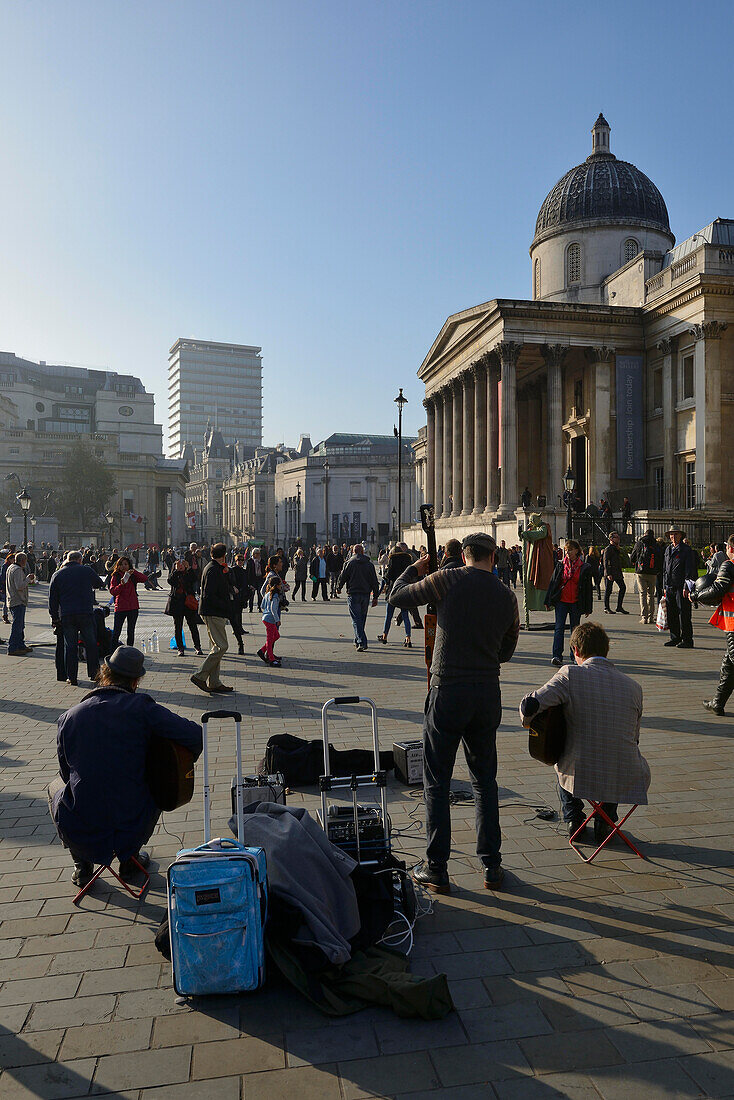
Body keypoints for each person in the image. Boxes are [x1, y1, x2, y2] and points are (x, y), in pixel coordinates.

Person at [391, 533, 519, 893]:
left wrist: (414, 568)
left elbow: (397, 595)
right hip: (486, 693)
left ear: (464, 555)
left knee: (437, 781)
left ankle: (437, 868)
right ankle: (492, 866)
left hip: (448, 690)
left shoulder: (447, 579)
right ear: (493, 556)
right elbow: (507, 650)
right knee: (484, 781)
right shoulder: (508, 596)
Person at [48, 645, 202, 887]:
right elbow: (195, 735)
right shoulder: (143, 709)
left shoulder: (69, 717)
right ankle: (129, 861)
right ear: (135, 682)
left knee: (54, 787)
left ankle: (82, 863)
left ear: (105, 673)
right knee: (153, 784)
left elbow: (65, 773)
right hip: (133, 823)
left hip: (81, 825)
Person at [520, 622, 650, 844]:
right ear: (606, 650)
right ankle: (606, 818)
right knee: (614, 752)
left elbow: (531, 706)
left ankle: (575, 818)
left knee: (560, 758)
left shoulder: (569, 674)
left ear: (576, 651)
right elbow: (635, 738)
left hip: (580, 773)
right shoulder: (634, 686)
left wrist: (528, 719)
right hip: (628, 775)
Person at [49, 551, 107, 685]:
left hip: (67, 615)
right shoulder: (86, 570)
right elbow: (99, 583)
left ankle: (72, 677)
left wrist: (54, 617)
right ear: (80, 559)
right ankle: (94, 674)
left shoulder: (57, 574)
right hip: (85, 613)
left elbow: (53, 599)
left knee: (71, 646)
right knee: (91, 644)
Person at [694, 535, 734, 715]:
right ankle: (717, 702)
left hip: (733, 623)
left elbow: (718, 588)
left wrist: (696, 596)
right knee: (729, 662)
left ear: (731, 549)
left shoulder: (729, 565)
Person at [191, 543, 234, 694]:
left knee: (215, 647)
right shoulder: (213, 570)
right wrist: (224, 605)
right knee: (222, 646)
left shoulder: (213, 567)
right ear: (224, 556)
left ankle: (214, 682)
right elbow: (209, 594)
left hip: (212, 611)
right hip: (213, 612)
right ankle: (200, 675)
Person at [544, 539, 593, 667]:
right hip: (562, 601)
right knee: (559, 628)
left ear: (577, 550)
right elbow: (553, 583)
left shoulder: (584, 567)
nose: (568, 553)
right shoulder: (561, 565)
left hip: (576, 602)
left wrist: (588, 607)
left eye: (570, 550)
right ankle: (557, 655)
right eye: (566, 550)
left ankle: (574, 656)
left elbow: (587, 589)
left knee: (575, 630)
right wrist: (547, 600)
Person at [336, 543, 380, 652]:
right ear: (362, 552)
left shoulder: (349, 563)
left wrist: (338, 587)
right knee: (362, 618)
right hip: (365, 594)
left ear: (353, 552)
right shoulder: (369, 564)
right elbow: (374, 581)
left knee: (356, 619)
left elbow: (343, 577)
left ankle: (361, 642)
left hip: (353, 593)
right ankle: (357, 639)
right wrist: (375, 596)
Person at [662, 526, 698, 649]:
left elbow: (690, 569)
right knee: (672, 613)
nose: (673, 536)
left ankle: (687, 639)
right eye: (671, 534)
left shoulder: (686, 550)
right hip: (670, 586)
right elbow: (665, 569)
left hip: (681, 587)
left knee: (684, 614)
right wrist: (664, 586)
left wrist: (686, 586)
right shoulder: (668, 549)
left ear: (681, 535)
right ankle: (675, 637)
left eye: (676, 534)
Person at [377, 543, 414, 646]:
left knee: (389, 615)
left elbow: (388, 576)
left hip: (393, 591)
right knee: (405, 615)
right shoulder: (408, 560)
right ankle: (408, 638)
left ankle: (385, 636)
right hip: (404, 590)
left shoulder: (393, 560)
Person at [165, 559, 203, 657]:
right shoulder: (174, 574)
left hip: (188, 603)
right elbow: (170, 581)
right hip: (177, 603)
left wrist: (189, 568)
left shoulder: (188, 573)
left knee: (193, 625)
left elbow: (194, 579)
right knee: (178, 627)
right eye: (179, 565)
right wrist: (176, 570)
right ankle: (180, 648)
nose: (181, 566)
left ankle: (197, 647)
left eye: (182, 564)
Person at [109, 557, 148, 648]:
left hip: (133, 606)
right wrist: (121, 584)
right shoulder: (116, 576)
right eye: (121, 564)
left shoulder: (133, 575)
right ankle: (112, 652)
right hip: (121, 607)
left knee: (131, 631)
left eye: (126, 564)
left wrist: (133, 572)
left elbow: (144, 578)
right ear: (118, 566)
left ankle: (130, 651)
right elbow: (113, 591)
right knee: (117, 631)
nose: (123, 566)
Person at [630, 529, 662, 625]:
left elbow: (632, 556)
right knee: (651, 595)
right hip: (652, 572)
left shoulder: (640, 543)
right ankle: (651, 617)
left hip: (641, 572)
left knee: (643, 594)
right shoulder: (656, 545)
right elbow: (660, 559)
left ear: (645, 534)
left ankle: (644, 617)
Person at [6, 552, 34, 655]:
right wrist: (27, 579)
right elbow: (19, 586)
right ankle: (13, 647)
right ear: (23, 560)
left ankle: (20, 645)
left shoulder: (11, 567)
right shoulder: (17, 570)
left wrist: (27, 580)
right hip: (18, 600)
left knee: (20, 625)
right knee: (17, 625)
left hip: (13, 599)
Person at [257, 576, 282, 667]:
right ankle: (271, 659)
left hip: (265, 617)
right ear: (276, 585)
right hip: (270, 619)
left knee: (276, 636)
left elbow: (262, 605)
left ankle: (262, 650)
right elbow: (273, 609)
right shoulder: (274, 595)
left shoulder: (267, 594)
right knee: (270, 639)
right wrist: (277, 620)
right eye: (280, 584)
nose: (281, 586)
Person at [602, 531, 628, 615]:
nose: (618, 539)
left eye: (618, 537)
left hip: (617, 572)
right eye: (616, 537)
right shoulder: (608, 548)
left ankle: (619, 607)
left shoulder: (616, 548)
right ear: (611, 539)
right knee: (608, 590)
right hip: (611, 572)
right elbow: (606, 562)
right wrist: (608, 573)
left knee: (623, 587)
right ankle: (606, 607)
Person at [229, 552, 249, 655]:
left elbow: (246, 582)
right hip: (236, 595)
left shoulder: (244, 571)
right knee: (235, 613)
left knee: (240, 612)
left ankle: (240, 628)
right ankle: (236, 629)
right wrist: (234, 588)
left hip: (242, 595)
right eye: (238, 560)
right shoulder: (233, 570)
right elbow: (231, 582)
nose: (240, 562)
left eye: (242, 560)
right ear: (236, 561)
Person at [245, 547, 264, 611]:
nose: (258, 555)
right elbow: (247, 571)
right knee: (251, 594)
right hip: (252, 579)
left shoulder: (262, 561)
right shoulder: (250, 561)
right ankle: (251, 608)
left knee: (259, 594)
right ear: (253, 554)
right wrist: (248, 581)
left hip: (260, 579)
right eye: (256, 553)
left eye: (259, 553)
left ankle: (259, 607)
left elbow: (264, 570)